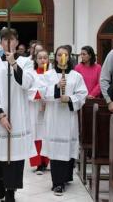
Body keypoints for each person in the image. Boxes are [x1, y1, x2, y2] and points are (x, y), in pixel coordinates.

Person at [0, 28, 35, 202]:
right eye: (4, 39)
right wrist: (0, 115)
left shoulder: (26, 62)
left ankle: (11, 190)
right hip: (0, 116)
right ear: (0, 42)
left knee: (15, 158)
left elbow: (27, 83)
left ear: (16, 42)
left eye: (11, 39)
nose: (8, 42)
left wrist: (14, 64)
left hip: (18, 116)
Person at [42, 45, 88, 195]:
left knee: (67, 148)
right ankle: (57, 182)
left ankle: (66, 177)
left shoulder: (76, 76)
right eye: (59, 54)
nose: (62, 57)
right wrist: (56, 88)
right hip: (54, 117)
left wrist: (70, 98)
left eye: (65, 55)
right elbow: (42, 93)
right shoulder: (48, 75)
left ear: (69, 57)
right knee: (56, 150)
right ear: (55, 57)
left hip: (68, 118)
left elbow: (82, 95)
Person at [27, 49, 50, 175]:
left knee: (46, 134)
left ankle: (46, 161)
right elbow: (28, 90)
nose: (42, 60)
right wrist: (41, 94)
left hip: (49, 108)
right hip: (35, 108)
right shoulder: (31, 74)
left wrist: (46, 97)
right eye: (40, 58)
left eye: (45, 57)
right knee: (36, 134)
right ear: (36, 60)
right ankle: (37, 163)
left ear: (48, 60)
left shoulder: (52, 74)